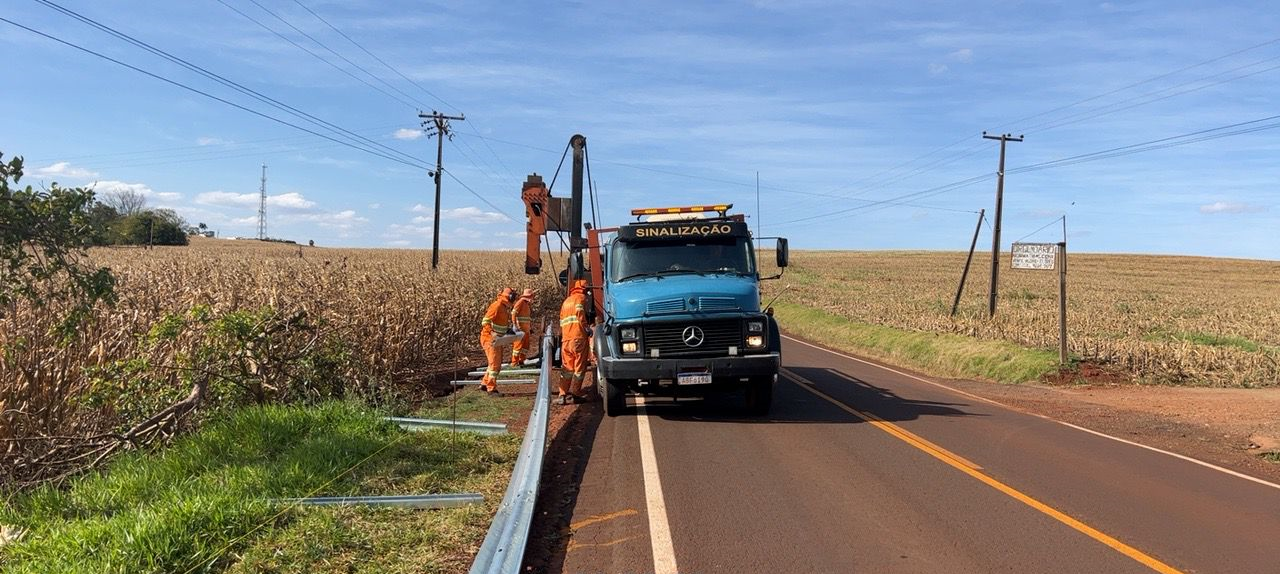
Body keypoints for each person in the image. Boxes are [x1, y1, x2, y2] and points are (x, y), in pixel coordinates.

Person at [558, 279, 591, 404]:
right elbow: (580, 314)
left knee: (566, 369)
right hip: (578, 338)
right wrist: (587, 329)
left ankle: (562, 394)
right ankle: (576, 393)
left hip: (566, 339)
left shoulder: (566, 301)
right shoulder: (580, 298)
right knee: (579, 368)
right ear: (584, 289)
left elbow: (561, 321)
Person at [479, 287, 517, 396]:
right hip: (490, 339)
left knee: (494, 363)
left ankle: (485, 383)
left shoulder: (503, 307)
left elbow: (499, 324)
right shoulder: (497, 306)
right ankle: (491, 389)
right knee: (495, 365)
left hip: (497, 339)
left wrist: (507, 330)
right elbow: (485, 321)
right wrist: (492, 333)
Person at [510, 288, 535, 366]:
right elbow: (513, 313)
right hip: (520, 329)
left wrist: (529, 328)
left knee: (525, 346)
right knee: (518, 345)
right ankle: (514, 363)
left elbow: (526, 318)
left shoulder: (526, 304)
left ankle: (522, 360)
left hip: (526, 329)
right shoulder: (520, 302)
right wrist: (514, 325)